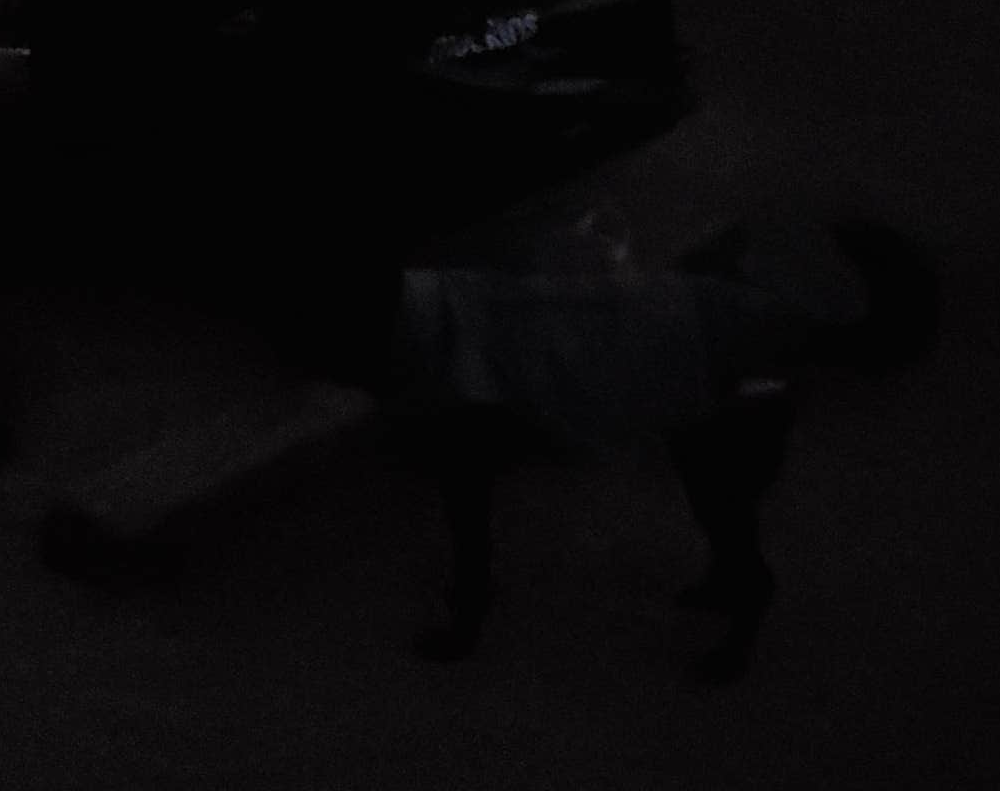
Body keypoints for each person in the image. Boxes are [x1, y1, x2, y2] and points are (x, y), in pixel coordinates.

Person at [388, 211, 936, 685]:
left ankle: (742, 609)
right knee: (719, 501)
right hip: (712, 354)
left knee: (721, 503)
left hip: (719, 375)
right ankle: (732, 587)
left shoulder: (446, 348)